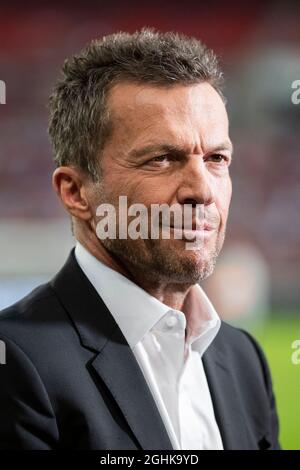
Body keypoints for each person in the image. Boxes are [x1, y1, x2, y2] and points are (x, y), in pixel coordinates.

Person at [0, 28, 280, 450]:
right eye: (162, 159)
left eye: (216, 159)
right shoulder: (17, 362)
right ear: (76, 192)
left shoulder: (243, 360)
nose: (202, 190)